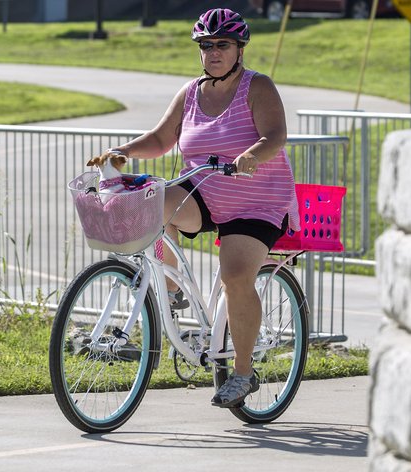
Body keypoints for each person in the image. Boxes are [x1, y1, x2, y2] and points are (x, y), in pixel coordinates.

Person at [102, 8, 300, 408]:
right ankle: (172, 289)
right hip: (206, 192)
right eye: (206, 46)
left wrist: (251, 155)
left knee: (235, 275)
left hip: (256, 202)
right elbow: (161, 138)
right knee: (152, 201)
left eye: (222, 45)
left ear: (239, 49)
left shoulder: (257, 87)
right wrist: (122, 151)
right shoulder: (191, 92)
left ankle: (243, 372)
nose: (213, 52)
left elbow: (276, 136)